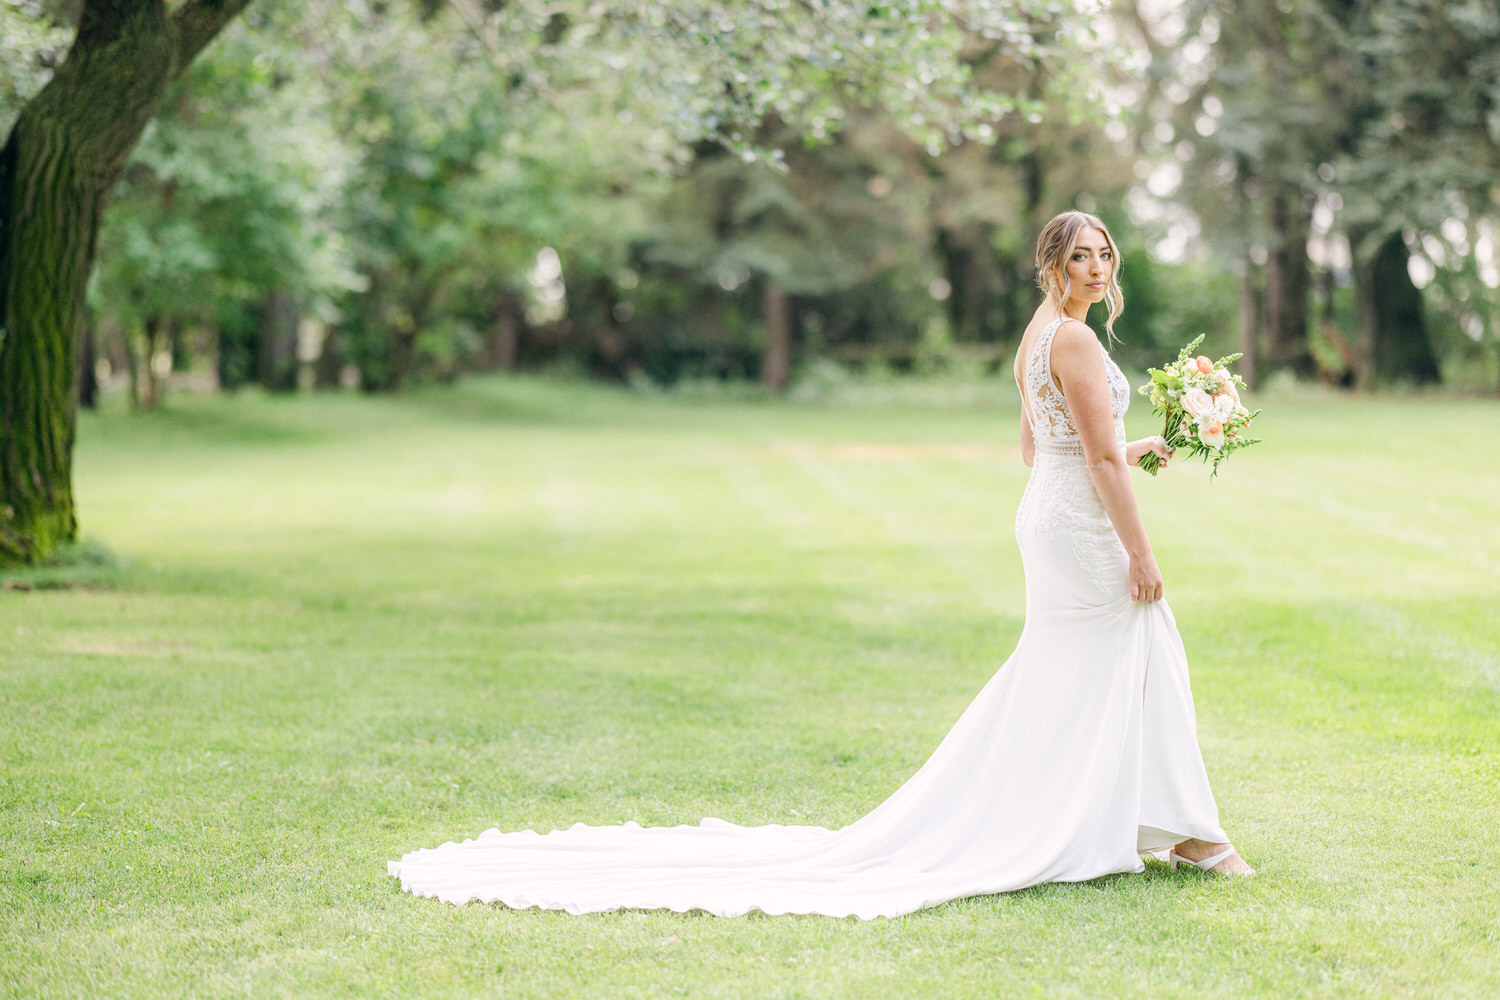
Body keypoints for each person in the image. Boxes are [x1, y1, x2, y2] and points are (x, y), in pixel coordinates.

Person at [387, 210, 1252, 919]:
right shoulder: (1074, 342)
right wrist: (1139, 548)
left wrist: (1132, 444)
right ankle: (1184, 833)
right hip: (1080, 525)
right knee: (1142, 643)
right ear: (1051, 266)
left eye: (1104, 254)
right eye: (1080, 255)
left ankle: (1148, 822)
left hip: (1047, 517)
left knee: (1088, 667)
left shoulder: (1036, 337)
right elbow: (1087, 462)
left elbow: (1044, 448)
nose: (1097, 267)